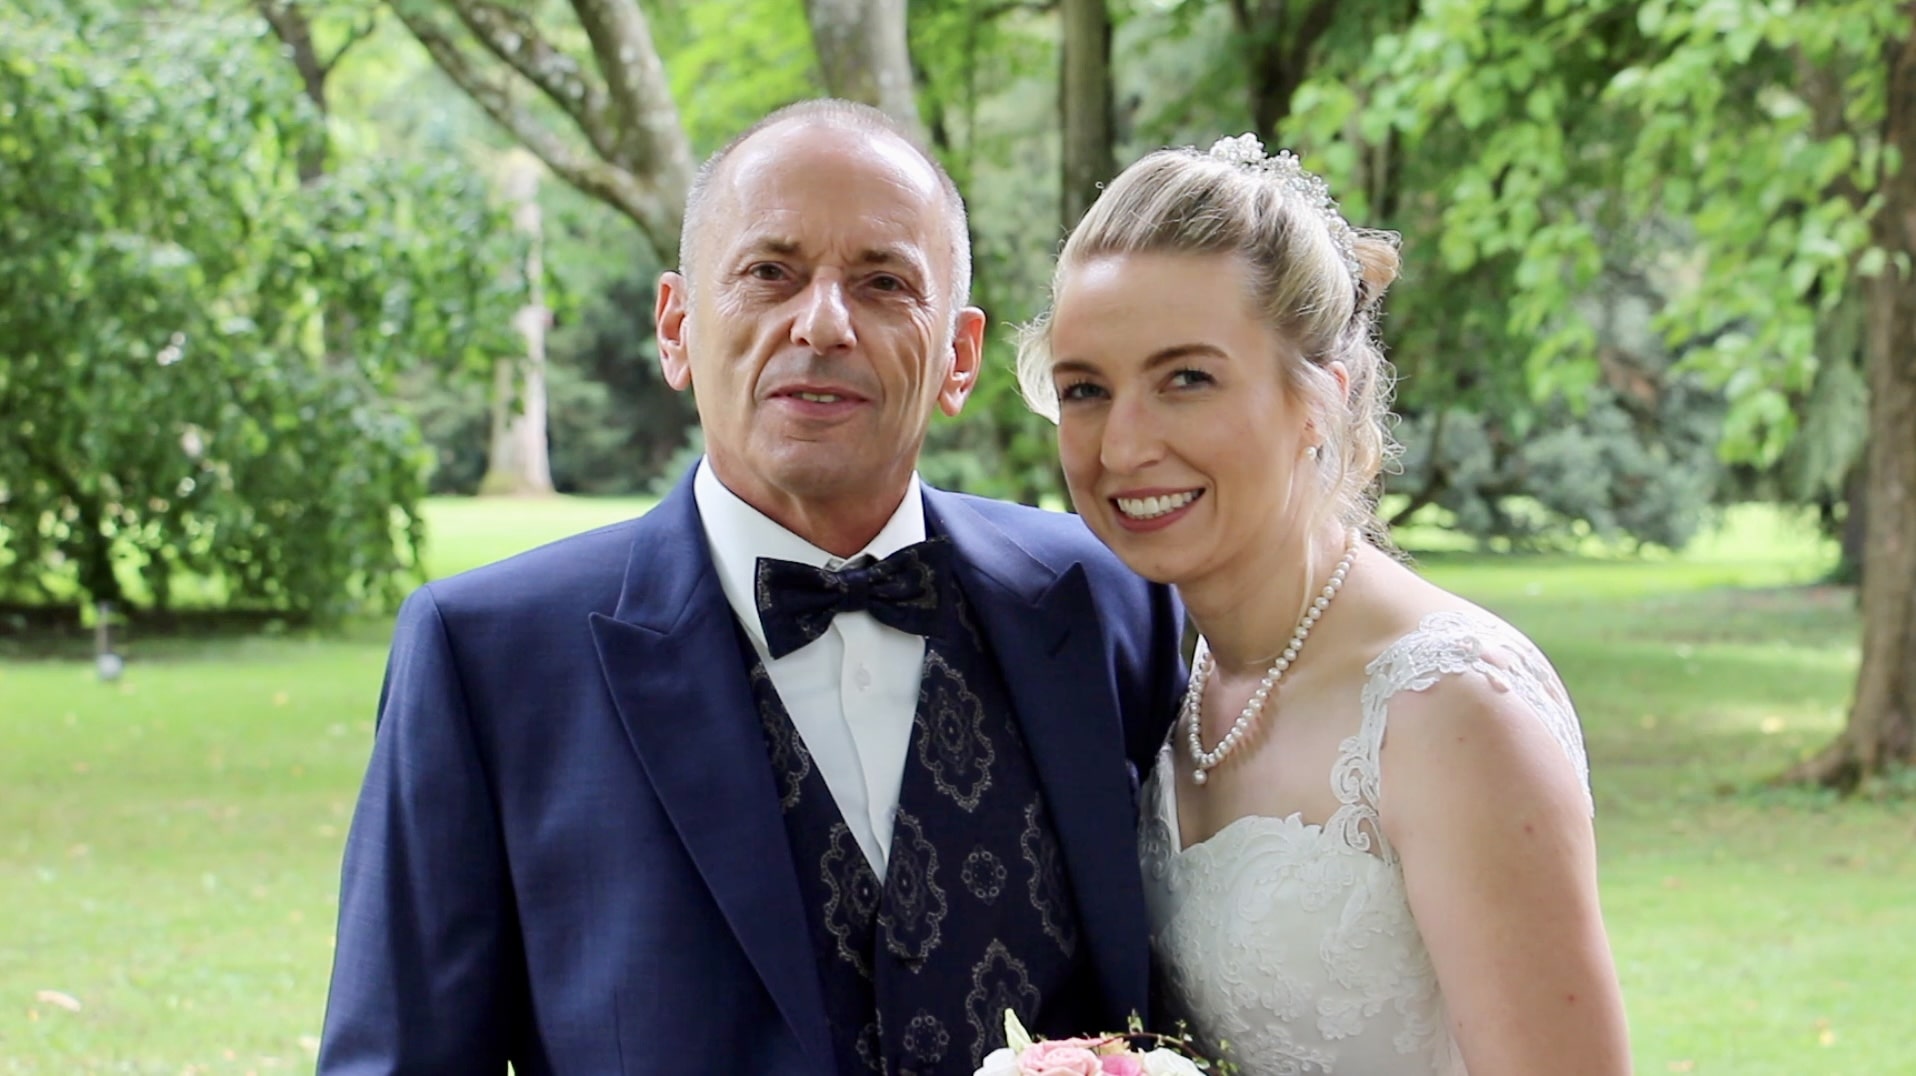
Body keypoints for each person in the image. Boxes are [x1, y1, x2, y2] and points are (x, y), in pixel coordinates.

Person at [317, 100, 1186, 1076]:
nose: (823, 321)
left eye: (884, 282)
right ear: (676, 328)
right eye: (770, 272)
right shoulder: (487, 658)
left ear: (958, 357)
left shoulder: (1111, 600)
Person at [1014, 135, 1631, 1075]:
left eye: (1187, 379)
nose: (1123, 446)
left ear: (1319, 402)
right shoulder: (1164, 679)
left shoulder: (1452, 708)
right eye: (1086, 390)